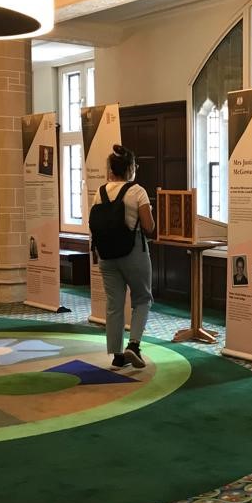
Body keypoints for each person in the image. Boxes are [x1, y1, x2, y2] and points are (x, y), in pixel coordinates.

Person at [91, 145, 155, 369]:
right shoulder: (137, 191)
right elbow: (148, 227)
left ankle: (117, 355)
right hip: (133, 251)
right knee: (142, 298)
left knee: (114, 304)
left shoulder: (98, 193)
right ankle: (134, 346)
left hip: (106, 255)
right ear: (129, 168)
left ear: (111, 169)